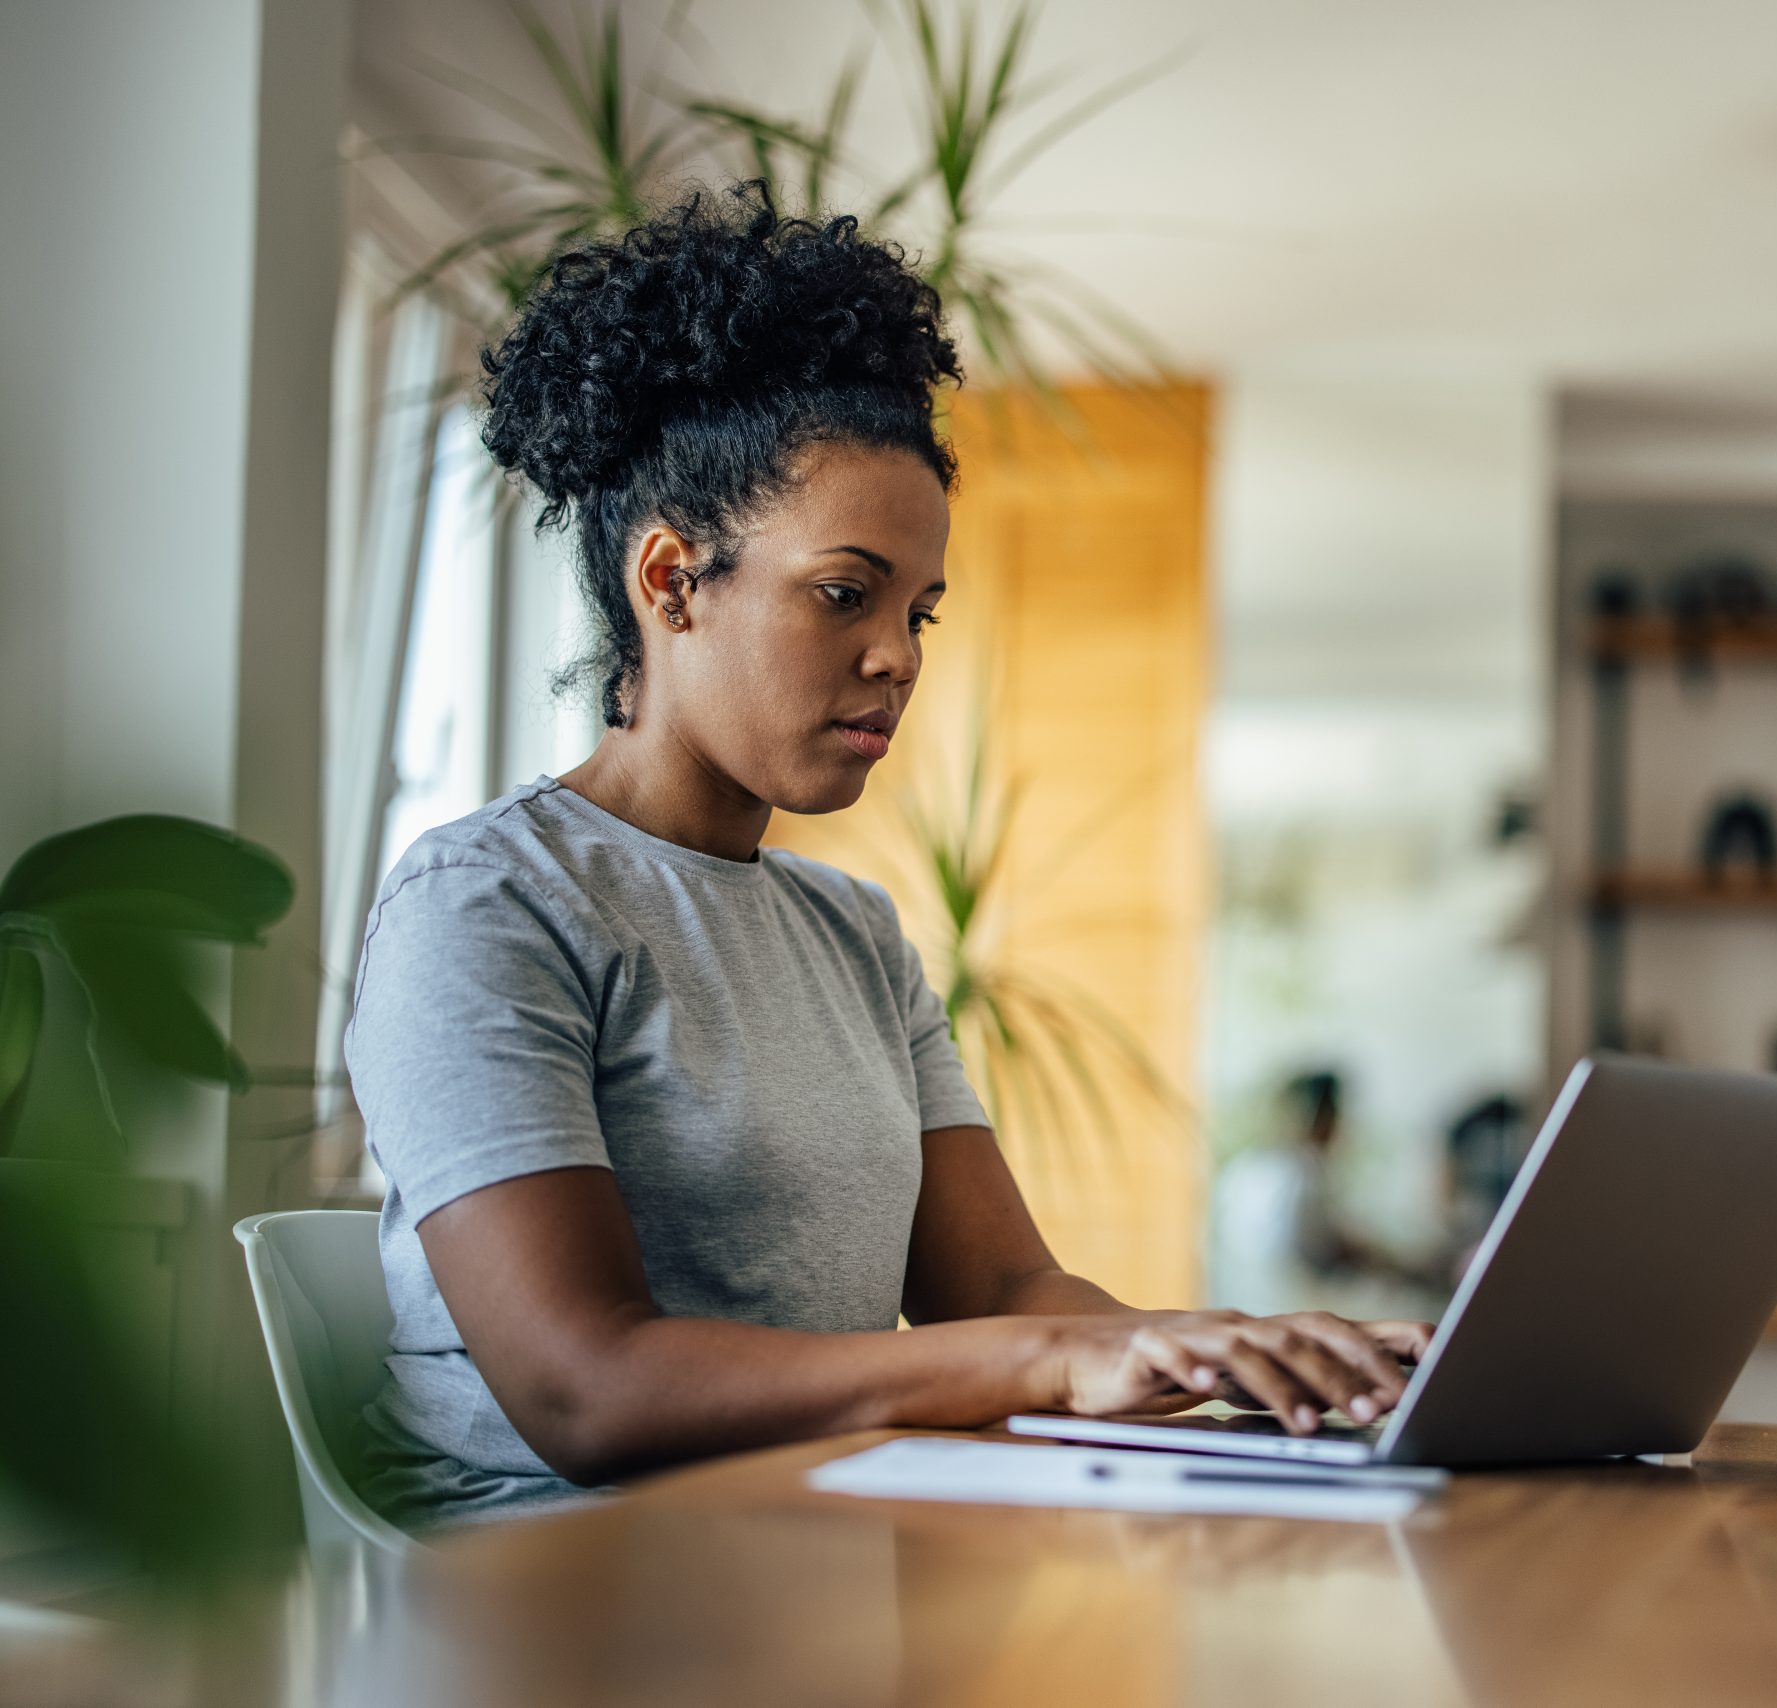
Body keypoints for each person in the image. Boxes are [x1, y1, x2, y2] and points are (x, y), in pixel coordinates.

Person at [342, 184, 1430, 1529]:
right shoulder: (493, 904)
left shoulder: (852, 934)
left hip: (815, 1557)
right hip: (552, 1598)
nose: (897, 656)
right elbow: (588, 1390)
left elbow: (1008, 1297)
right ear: (672, 580)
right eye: (844, 593)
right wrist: (1045, 1359)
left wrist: (1221, 1351)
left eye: (920, 610)